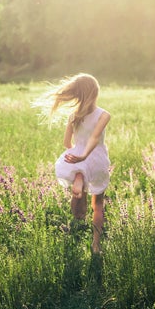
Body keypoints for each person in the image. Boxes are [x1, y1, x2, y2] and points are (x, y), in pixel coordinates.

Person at [37, 73, 111, 254]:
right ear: (95, 92)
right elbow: (94, 138)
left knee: (80, 192)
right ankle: (96, 246)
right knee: (98, 205)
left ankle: (79, 177)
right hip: (96, 158)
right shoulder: (104, 115)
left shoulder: (73, 116)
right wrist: (85, 156)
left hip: (77, 156)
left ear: (77, 94)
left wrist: (78, 154)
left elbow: (66, 143)